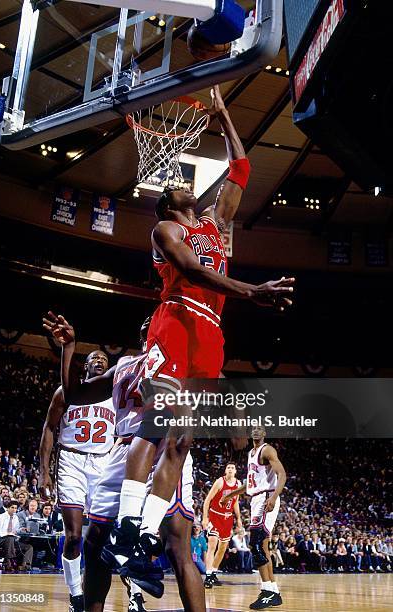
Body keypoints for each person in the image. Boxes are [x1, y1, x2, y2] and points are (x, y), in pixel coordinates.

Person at [106, 85, 295, 586]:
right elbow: (192, 272)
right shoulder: (166, 231)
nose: (181, 183)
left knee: (183, 440)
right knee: (156, 424)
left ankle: (143, 534)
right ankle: (126, 526)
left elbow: (242, 167)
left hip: (211, 336)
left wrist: (224, 115)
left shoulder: (214, 222)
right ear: (167, 204)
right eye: (172, 186)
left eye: (184, 183)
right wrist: (251, 291)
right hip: (176, 320)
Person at [44, 313, 206, 612]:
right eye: (146, 323)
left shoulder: (182, 363)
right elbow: (74, 394)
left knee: (177, 547)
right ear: (142, 335)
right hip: (122, 453)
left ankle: (141, 568)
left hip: (163, 449)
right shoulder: (124, 366)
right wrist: (69, 348)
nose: (151, 322)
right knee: (94, 544)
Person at [38, 348, 115, 612]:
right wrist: (43, 471)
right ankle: (75, 595)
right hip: (71, 461)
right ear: (85, 366)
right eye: (94, 358)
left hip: (104, 462)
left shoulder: (116, 395)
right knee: (73, 537)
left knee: (106, 535)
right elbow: (48, 427)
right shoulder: (66, 393)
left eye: (104, 359)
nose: (99, 361)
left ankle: (131, 594)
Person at [221, 426, 286, 609]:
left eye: (260, 429)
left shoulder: (267, 449)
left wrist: (273, 497)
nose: (256, 430)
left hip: (267, 497)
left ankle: (267, 591)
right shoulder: (251, 453)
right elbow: (251, 484)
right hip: (257, 499)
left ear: (264, 434)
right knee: (262, 545)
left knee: (256, 544)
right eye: (254, 428)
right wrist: (230, 494)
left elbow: (282, 474)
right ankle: (273, 591)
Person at [202, 462, 242, 588]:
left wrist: (239, 518)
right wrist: (204, 518)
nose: (230, 469)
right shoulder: (220, 482)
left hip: (228, 518)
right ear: (225, 470)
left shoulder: (238, 484)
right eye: (228, 467)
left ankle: (213, 572)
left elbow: (235, 502)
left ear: (235, 471)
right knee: (212, 543)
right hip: (215, 515)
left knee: (222, 548)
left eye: (232, 468)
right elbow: (208, 500)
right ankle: (208, 575)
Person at [0, 500, 33, 571]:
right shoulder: (0, 517)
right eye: (12, 507)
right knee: (9, 538)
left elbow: (15, 531)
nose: (14, 510)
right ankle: (9, 562)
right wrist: (7, 534)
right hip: (0, 539)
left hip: (12, 540)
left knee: (29, 547)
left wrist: (21, 530)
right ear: (8, 508)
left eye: (15, 508)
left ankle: (25, 565)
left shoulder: (15, 518)